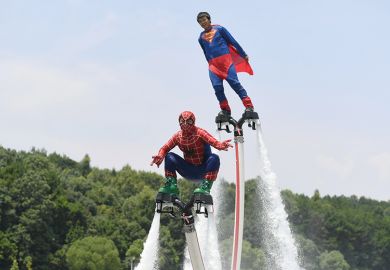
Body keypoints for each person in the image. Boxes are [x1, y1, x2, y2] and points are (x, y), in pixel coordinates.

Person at [150, 111, 232, 195]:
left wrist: (221, 145)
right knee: (169, 156)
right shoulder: (178, 136)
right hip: (188, 170)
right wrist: (160, 156)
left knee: (214, 158)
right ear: (179, 122)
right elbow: (164, 148)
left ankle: (206, 187)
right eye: (182, 121)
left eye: (188, 121)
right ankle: (171, 185)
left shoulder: (200, 133)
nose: (185, 124)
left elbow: (214, 142)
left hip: (204, 170)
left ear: (193, 122)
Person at [197, 11, 255, 118]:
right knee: (217, 87)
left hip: (226, 63)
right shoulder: (200, 37)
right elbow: (205, 52)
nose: (203, 22)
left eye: (204, 20)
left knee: (235, 84)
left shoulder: (219, 29)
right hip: (213, 66)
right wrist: (210, 64)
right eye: (200, 21)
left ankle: (249, 106)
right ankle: (225, 110)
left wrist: (243, 54)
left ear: (209, 19)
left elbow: (233, 41)